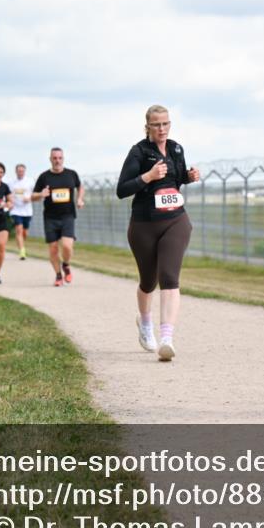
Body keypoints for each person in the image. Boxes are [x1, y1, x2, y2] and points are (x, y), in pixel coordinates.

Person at [116, 105, 200, 361]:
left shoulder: (176, 149)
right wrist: (148, 176)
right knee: (148, 281)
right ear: (148, 126)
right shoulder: (138, 152)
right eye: (156, 124)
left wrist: (188, 176)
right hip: (144, 225)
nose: (161, 129)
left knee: (169, 277)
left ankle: (166, 339)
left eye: (165, 124)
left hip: (175, 220)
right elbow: (122, 189)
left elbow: (176, 180)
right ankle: (145, 323)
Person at [33, 148, 84, 287]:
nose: (57, 160)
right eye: (54, 158)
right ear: (50, 159)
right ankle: (58, 275)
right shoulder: (44, 177)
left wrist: (80, 199)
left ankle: (66, 264)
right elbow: (33, 196)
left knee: (67, 246)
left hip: (68, 216)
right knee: (53, 248)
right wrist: (40, 194)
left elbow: (80, 187)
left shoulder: (71, 174)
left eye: (60, 158)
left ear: (63, 158)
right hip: (50, 217)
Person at [8, 163, 35, 260]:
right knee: (19, 230)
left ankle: (21, 244)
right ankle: (22, 252)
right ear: (16, 172)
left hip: (27, 211)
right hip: (15, 210)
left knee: (24, 233)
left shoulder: (30, 181)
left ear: (25, 171)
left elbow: (36, 194)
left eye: (22, 171)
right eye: (19, 171)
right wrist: (10, 202)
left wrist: (30, 198)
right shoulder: (11, 183)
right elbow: (8, 195)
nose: (21, 173)